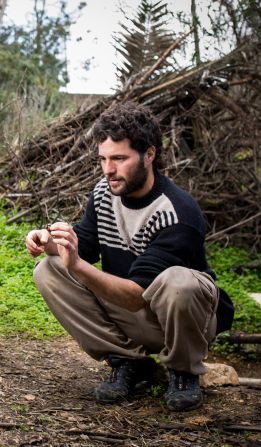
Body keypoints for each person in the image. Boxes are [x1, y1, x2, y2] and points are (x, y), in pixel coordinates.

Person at [25, 101, 234, 412]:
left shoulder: (177, 212)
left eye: (119, 158)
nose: (109, 170)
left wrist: (78, 265)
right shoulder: (104, 194)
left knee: (178, 281)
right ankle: (128, 361)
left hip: (182, 321)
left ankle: (184, 371)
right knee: (48, 270)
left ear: (149, 155)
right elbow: (86, 244)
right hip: (132, 311)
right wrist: (52, 243)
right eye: (104, 159)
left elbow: (137, 295)